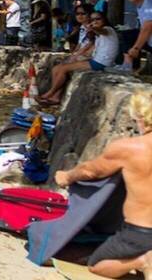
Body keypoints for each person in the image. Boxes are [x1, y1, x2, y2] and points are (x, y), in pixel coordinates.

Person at [54, 92, 152, 278]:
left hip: (140, 233)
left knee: (96, 264)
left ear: (141, 118)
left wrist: (66, 176)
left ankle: (143, 261)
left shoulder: (129, 148)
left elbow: (91, 171)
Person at [40, 12, 120, 106]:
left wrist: (92, 28)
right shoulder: (98, 34)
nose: (95, 21)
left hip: (101, 63)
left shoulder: (108, 29)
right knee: (56, 68)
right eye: (92, 20)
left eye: (98, 19)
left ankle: (50, 94)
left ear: (104, 20)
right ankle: (55, 97)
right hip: (96, 60)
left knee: (62, 69)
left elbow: (102, 31)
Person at [121, 0, 152, 71]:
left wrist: (136, 48)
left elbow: (148, 26)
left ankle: (129, 66)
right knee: (127, 35)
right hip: (150, 41)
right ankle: (129, 65)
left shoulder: (148, 3)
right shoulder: (139, 5)